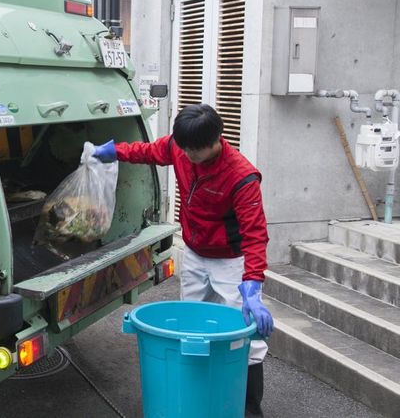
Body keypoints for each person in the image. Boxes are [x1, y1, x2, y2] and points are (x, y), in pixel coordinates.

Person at [94, 103, 273, 417]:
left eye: (196, 150)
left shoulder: (241, 177)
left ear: (217, 139)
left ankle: (247, 408)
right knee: (190, 325)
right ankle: (196, 397)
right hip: (193, 253)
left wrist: (253, 284)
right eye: (185, 148)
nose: (189, 155)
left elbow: (255, 233)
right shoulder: (180, 147)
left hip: (230, 261)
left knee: (246, 336)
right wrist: (115, 151)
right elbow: (149, 151)